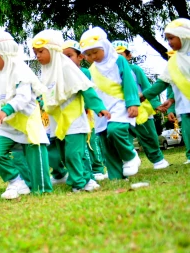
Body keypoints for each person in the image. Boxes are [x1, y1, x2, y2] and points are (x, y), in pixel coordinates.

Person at [31, 30, 110, 193]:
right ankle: (87, 178)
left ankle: (79, 183)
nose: (37, 56)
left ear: (52, 50)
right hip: (56, 122)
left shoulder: (66, 67)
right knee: (65, 154)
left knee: (73, 154)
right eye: (35, 53)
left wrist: (98, 106)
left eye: (40, 51)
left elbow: (85, 88)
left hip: (74, 121)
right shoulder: (47, 71)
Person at [0, 31, 52, 199]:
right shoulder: (1, 76)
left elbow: (23, 97)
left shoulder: (20, 70)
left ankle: (42, 191)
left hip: (27, 125)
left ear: (4, 53)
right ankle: (16, 181)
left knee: (39, 177)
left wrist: (5, 111)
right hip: (8, 127)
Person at [79, 28, 141, 179]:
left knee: (115, 130)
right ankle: (116, 176)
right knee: (105, 142)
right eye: (88, 54)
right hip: (101, 110)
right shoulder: (91, 70)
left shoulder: (118, 60)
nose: (93, 56)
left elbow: (128, 81)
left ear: (105, 46)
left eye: (96, 52)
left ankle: (130, 155)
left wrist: (133, 102)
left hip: (120, 105)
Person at [112, 40, 170, 170]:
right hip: (121, 111)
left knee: (149, 137)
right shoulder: (110, 74)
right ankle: (131, 157)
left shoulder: (135, 70)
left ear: (128, 56)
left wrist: (155, 104)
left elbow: (146, 87)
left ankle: (158, 160)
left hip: (141, 109)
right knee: (121, 136)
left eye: (120, 55)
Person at [141, 18, 190, 165]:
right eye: (167, 39)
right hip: (185, 105)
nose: (169, 42)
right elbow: (162, 83)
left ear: (183, 35)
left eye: (171, 38)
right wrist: (145, 96)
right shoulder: (173, 61)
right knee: (188, 131)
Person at [62, 40, 109, 180]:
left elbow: (87, 91)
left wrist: (93, 107)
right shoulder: (61, 74)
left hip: (87, 115)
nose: (66, 60)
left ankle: (98, 169)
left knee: (91, 142)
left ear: (80, 57)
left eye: (69, 56)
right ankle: (85, 172)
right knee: (79, 147)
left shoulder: (83, 72)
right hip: (70, 116)